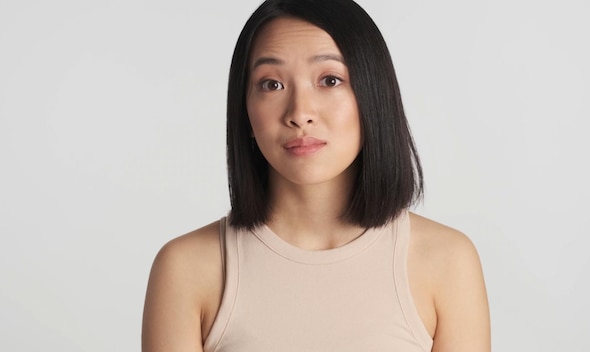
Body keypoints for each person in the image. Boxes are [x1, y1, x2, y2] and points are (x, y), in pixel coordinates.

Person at [141, 0, 490, 351]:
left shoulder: (447, 262)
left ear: (372, 96)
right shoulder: (186, 270)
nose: (300, 113)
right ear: (245, 112)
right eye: (271, 85)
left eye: (330, 80)